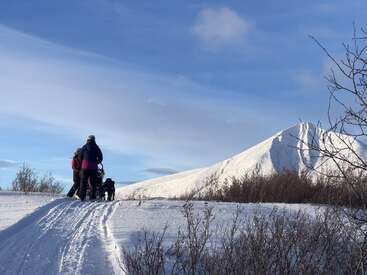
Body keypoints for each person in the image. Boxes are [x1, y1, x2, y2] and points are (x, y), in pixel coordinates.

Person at [78, 135, 103, 201]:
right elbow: (101, 157)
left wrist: (82, 162)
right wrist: (96, 162)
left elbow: (80, 156)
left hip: (85, 166)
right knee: (93, 182)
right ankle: (93, 197)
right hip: (93, 167)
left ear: (87, 139)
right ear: (94, 140)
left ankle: (81, 197)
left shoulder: (84, 147)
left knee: (83, 182)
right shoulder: (96, 147)